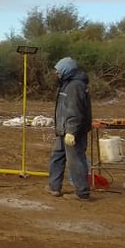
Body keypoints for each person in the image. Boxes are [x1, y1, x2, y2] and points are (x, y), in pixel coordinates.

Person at [48, 56, 92, 201]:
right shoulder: (67, 84)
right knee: (57, 156)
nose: (56, 73)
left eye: (58, 70)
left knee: (76, 160)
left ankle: (82, 193)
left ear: (66, 70)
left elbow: (75, 111)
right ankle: (54, 187)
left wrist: (71, 132)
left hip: (72, 131)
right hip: (64, 130)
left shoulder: (75, 86)